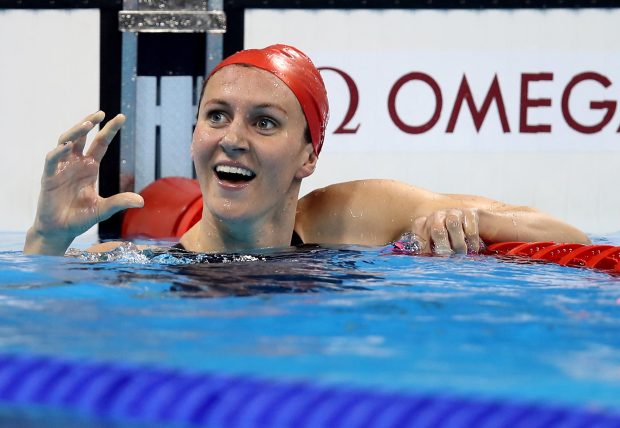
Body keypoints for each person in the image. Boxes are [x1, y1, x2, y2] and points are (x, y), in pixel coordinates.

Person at [23, 44, 590, 256]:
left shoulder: (351, 215)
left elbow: (573, 240)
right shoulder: (136, 266)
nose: (233, 138)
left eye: (264, 122)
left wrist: (464, 221)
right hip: (172, 217)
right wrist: (47, 238)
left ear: (309, 155)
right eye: (216, 116)